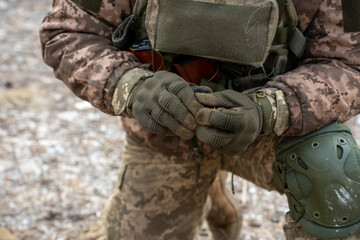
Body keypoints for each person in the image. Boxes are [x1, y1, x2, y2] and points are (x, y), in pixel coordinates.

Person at [39, 0, 360, 239]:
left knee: (333, 175)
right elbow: (67, 31)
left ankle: (212, 185)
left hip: (269, 133)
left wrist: (271, 107)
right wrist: (133, 87)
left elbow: (349, 61)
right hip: (165, 131)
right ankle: (210, 190)